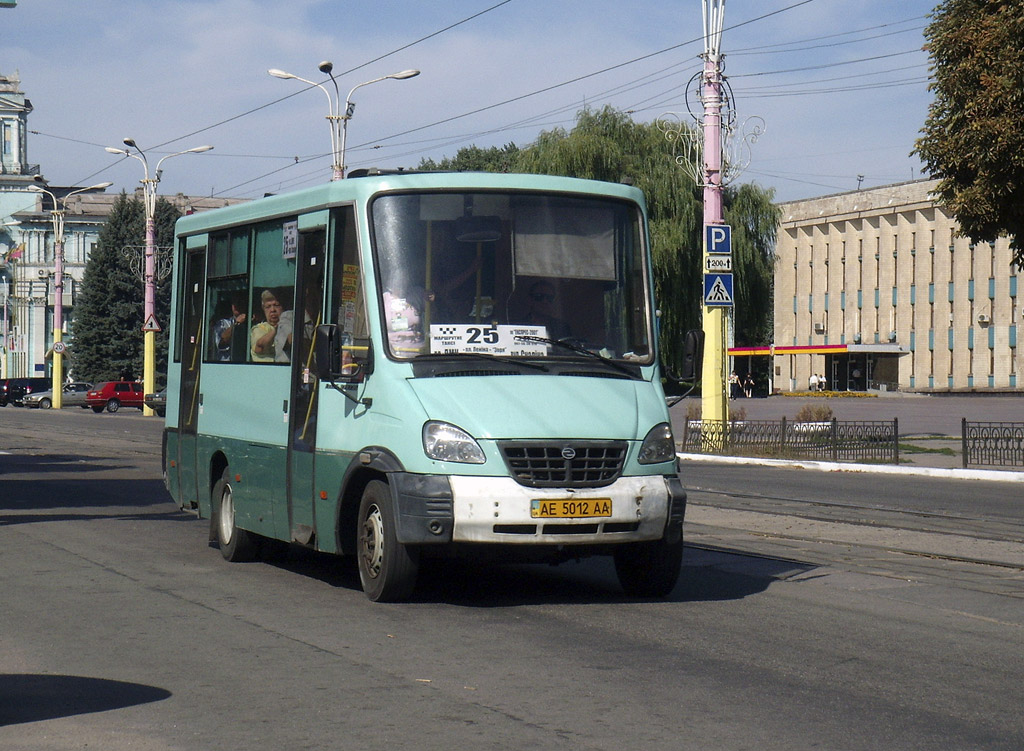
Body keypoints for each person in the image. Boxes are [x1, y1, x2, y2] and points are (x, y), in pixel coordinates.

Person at [251, 289, 287, 362]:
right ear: (263, 309)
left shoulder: (289, 326)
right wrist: (276, 329)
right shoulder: (259, 328)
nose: (272, 310)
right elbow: (260, 347)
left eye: (276, 305)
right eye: (268, 306)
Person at [212, 294, 247, 362]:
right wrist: (236, 324)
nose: (236, 305)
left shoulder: (251, 323)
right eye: (234, 303)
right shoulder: (223, 323)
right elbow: (221, 343)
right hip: (226, 364)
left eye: (239, 302)